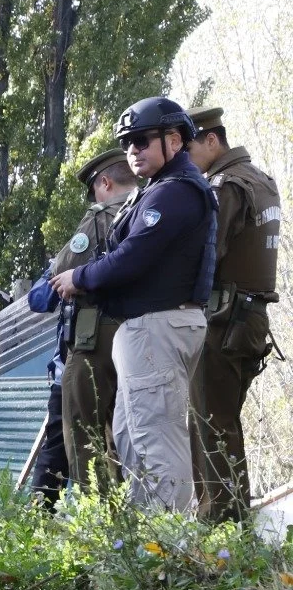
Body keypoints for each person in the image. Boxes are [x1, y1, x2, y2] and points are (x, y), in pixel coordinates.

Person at [50, 97, 216, 511]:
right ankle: (146, 547)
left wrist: (80, 277)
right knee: (130, 436)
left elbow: (132, 257)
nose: (133, 151)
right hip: (144, 330)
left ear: (174, 140)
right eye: (127, 143)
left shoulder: (175, 192)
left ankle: (171, 545)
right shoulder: (160, 191)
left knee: (155, 439)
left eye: (141, 140)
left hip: (159, 326)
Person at [184, 106, 282, 522]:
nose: (184, 160)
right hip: (249, 317)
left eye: (188, 149)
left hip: (223, 318)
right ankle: (230, 518)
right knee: (223, 420)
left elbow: (206, 255)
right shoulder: (262, 179)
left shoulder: (226, 186)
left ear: (211, 140)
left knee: (210, 422)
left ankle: (221, 522)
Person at [28, 148, 140, 500]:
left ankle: (77, 525)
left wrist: (55, 270)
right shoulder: (155, 210)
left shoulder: (102, 217)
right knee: (123, 442)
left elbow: (42, 296)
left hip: (90, 349)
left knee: (72, 442)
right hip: (140, 347)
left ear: (104, 182)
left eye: (95, 189)